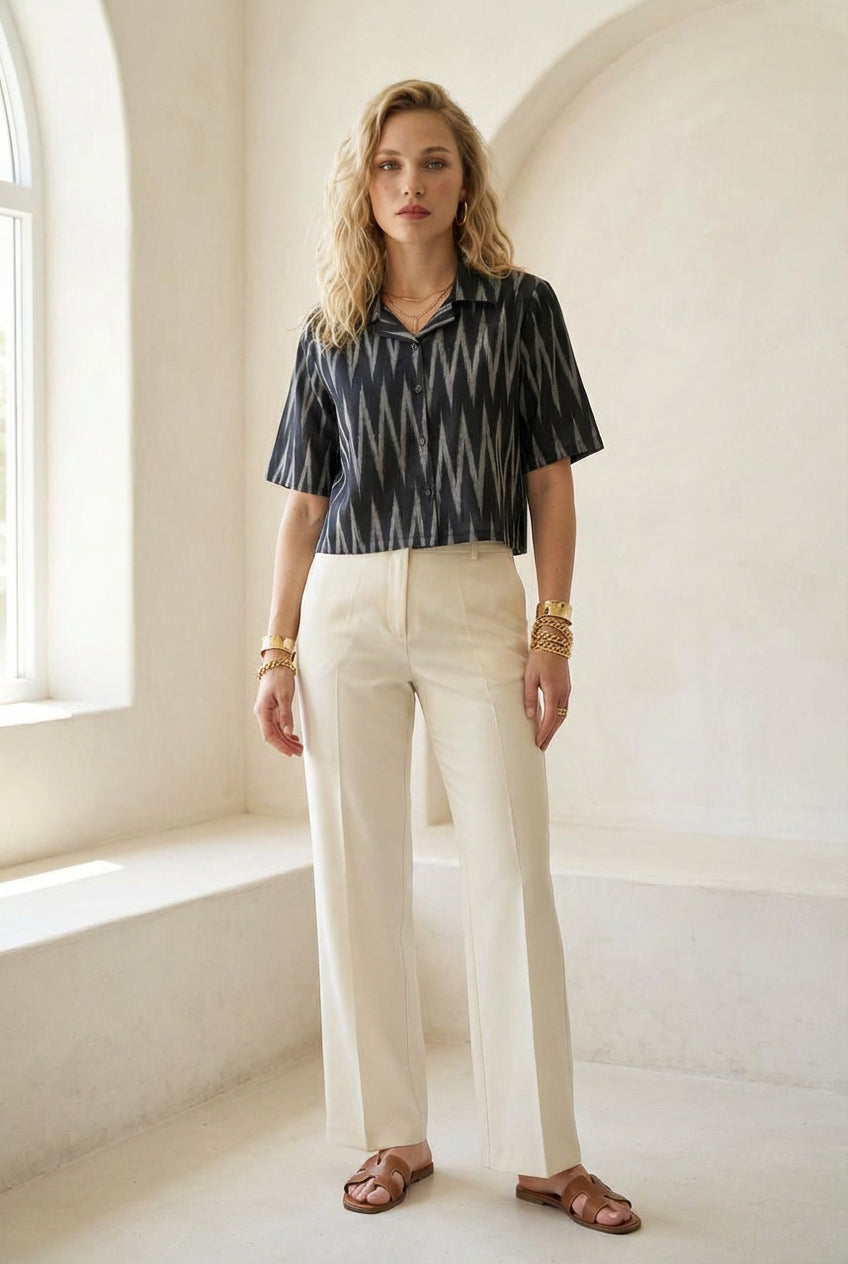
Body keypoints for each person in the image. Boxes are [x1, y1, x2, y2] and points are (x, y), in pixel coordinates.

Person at [254, 79, 641, 1236]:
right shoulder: (329, 328)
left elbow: (549, 482)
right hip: (345, 610)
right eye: (387, 166)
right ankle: (392, 1133)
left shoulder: (520, 309)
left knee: (510, 869)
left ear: (462, 178)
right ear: (363, 186)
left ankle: (544, 1153)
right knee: (356, 872)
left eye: (431, 162)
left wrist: (552, 628)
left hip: (477, 598)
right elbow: (302, 504)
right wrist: (275, 648)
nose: (408, 184)